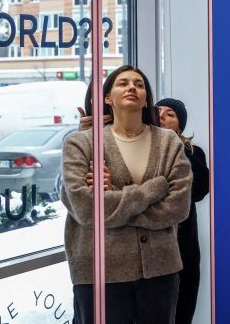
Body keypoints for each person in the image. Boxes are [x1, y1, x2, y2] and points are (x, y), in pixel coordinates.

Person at [60, 65, 192, 324]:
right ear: (107, 98)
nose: (132, 87)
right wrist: (154, 189)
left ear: (146, 100)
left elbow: (178, 206)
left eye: (139, 84)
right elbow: (85, 208)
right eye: (122, 83)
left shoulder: (169, 142)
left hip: (160, 270)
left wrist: (113, 198)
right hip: (99, 272)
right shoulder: (81, 143)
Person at [155, 98, 209, 324]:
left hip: (183, 243)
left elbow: (200, 189)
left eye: (170, 114)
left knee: (183, 308)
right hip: (152, 243)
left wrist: (174, 145)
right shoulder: (140, 148)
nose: (162, 116)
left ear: (180, 126)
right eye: (158, 111)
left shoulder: (192, 152)